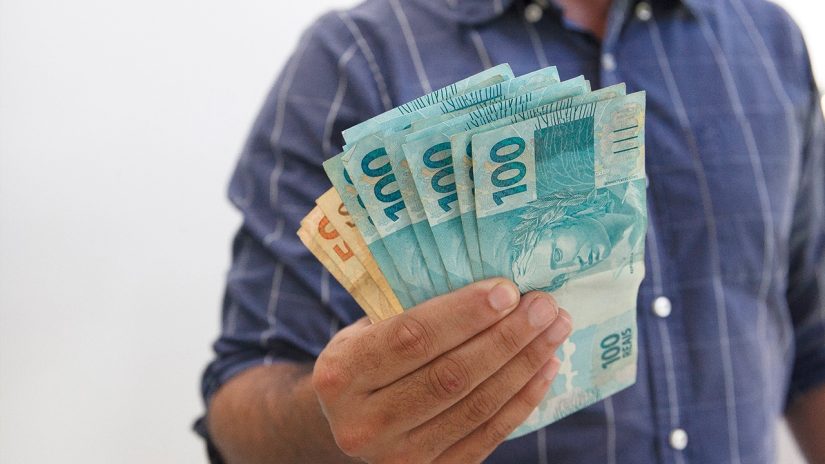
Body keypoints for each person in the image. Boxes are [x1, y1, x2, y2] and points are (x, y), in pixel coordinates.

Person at [195, 0, 825, 462]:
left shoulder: (769, 39)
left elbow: (813, 337)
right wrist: (344, 425)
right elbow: (244, 389)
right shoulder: (353, 58)